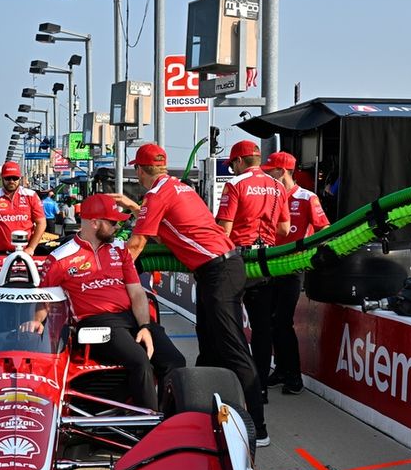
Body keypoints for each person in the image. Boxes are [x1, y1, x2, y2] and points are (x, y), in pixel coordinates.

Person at [116, 143, 270, 447]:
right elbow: (169, 228)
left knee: (232, 348)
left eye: (136, 170)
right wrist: (137, 209)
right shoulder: (179, 187)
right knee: (210, 348)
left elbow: (135, 245)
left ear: (140, 171)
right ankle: (199, 414)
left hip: (219, 272)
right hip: (220, 269)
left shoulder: (156, 193)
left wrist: (109, 277)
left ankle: (259, 427)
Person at [27, 194, 185, 410]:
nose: (117, 226)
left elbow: (137, 293)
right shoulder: (60, 258)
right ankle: (147, 427)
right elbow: (45, 298)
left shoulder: (120, 250)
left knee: (175, 361)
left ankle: (169, 419)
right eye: (112, 222)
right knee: (140, 362)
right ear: (94, 223)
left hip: (129, 319)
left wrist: (145, 326)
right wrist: (37, 321)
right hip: (95, 323)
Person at [216, 140, 291, 406]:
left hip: (237, 261)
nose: (232, 169)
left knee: (230, 326)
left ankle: (237, 386)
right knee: (262, 328)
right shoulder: (278, 186)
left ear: (238, 162)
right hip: (265, 261)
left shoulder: (235, 184)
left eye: (232, 164)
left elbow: (223, 230)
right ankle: (259, 388)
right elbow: (284, 230)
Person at [262, 151, 330, 395]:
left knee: (282, 321)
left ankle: (294, 376)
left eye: (270, 171)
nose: (267, 174)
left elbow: (325, 229)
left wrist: (309, 253)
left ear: (282, 171)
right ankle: (280, 369)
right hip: (269, 265)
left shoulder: (306, 197)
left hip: (293, 268)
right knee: (270, 322)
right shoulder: (270, 196)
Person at [0, 161, 46, 255]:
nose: (11, 181)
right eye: (8, 178)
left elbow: (41, 223)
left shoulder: (31, 195)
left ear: (20, 178)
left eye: (15, 178)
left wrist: (31, 248)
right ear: (2, 178)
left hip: (25, 252)